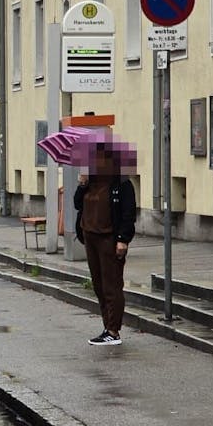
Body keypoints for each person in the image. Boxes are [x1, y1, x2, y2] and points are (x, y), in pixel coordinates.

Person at [74, 142, 138, 346]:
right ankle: (106, 327)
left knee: (112, 285)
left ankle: (113, 330)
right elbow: (77, 204)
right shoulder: (90, 182)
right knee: (99, 285)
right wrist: (81, 185)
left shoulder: (121, 184)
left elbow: (129, 213)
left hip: (109, 238)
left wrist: (123, 240)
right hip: (90, 236)